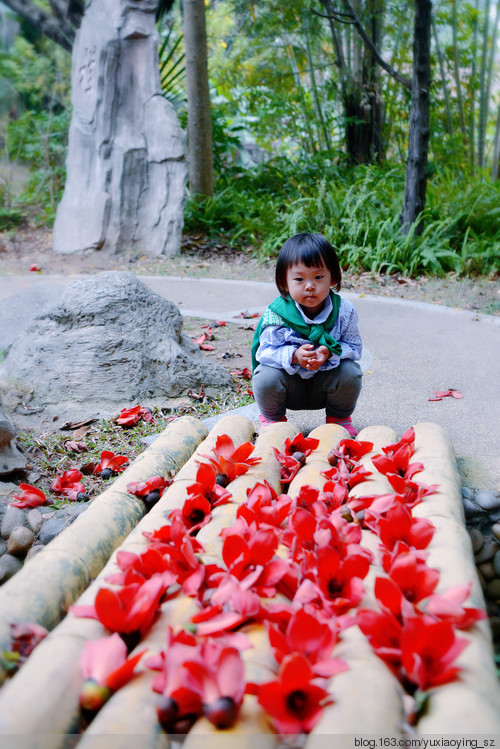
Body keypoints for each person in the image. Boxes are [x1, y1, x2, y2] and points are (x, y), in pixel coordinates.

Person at [251, 232, 362, 436]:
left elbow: (354, 348)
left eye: (318, 277)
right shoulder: (277, 315)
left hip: (326, 384)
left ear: (333, 278)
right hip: (288, 386)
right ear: (284, 282)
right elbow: (263, 354)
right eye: (299, 279)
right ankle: (273, 420)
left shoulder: (343, 312)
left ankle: (339, 419)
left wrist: (328, 353)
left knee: (351, 372)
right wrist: (294, 356)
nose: (310, 286)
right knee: (264, 377)